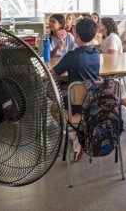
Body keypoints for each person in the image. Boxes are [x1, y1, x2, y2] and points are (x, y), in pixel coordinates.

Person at [52, 18, 100, 162]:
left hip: (76, 105)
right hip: (93, 102)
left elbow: (54, 72)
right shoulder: (96, 54)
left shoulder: (72, 56)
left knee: (54, 107)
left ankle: (75, 136)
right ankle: (80, 132)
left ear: (76, 34)